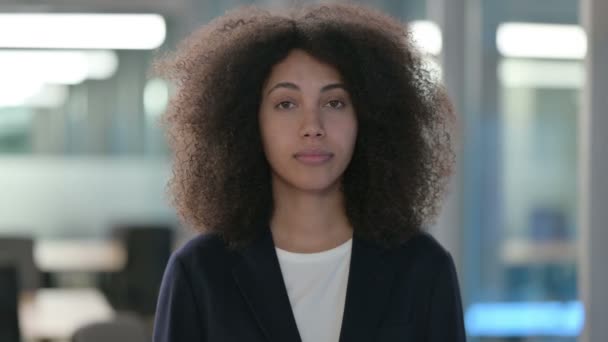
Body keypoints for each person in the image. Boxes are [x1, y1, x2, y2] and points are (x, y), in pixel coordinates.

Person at [153, 3, 465, 342]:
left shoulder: (422, 268)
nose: (313, 126)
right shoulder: (200, 272)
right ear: (246, 122)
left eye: (335, 103)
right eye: (286, 104)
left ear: (369, 120)